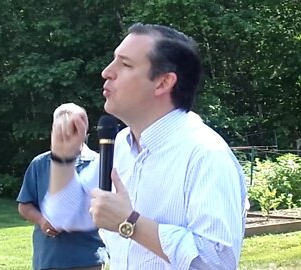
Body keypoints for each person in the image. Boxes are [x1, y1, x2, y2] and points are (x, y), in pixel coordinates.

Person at [43, 23, 248, 269]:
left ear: (163, 83)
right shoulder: (121, 145)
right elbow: (64, 216)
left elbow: (218, 263)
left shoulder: (206, 154)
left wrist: (130, 223)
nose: (107, 72)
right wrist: (63, 158)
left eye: (125, 64)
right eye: (113, 61)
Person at [16, 103, 107, 270]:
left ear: (84, 128)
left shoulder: (101, 163)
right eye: (62, 124)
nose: (67, 129)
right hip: (49, 257)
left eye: (73, 124)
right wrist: (42, 221)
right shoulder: (40, 163)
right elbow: (25, 205)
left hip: (87, 257)